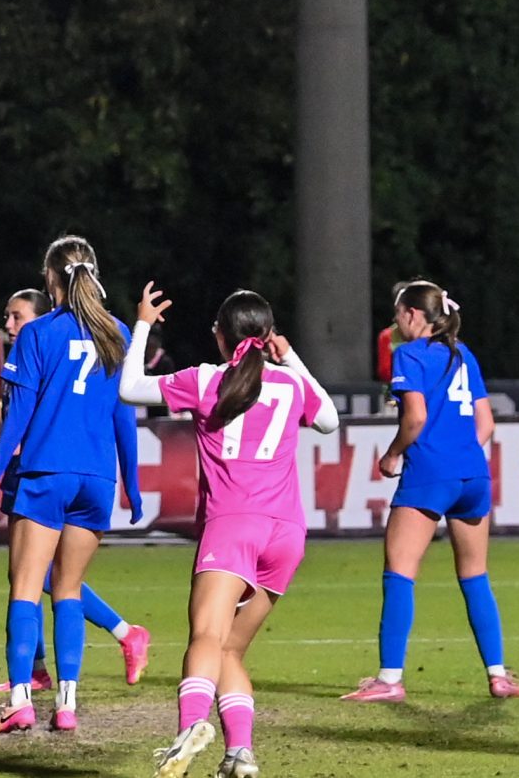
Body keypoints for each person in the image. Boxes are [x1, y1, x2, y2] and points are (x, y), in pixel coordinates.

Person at [120, 285, 338, 778]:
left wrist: (142, 325)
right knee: (230, 648)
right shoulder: (290, 384)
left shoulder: (204, 380)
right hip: (286, 535)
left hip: (233, 527)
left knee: (205, 635)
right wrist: (293, 358)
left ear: (220, 336)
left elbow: (130, 388)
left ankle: (191, 726)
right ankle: (241, 753)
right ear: (269, 336)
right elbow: (328, 420)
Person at [0, 235, 144, 733]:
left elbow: (15, 424)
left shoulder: (38, 334)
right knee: (68, 592)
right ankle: (66, 707)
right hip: (97, 481)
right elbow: (124, 417)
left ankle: (20, 701)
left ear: (50, 278)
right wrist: (134, 484)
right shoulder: (118, 334)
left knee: (24, 589)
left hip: (46, 474)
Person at [341, 280, 519, 703]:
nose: (396, 322)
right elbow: (487, 424)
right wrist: (459, 455)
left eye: (399, 313)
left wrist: (391, 456)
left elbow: (416, 418)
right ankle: (498, 675)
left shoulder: (407, 354)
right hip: (472, 475)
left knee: (400, 573)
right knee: (475, 576)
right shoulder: (464, 355)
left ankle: (389, 679)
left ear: (412, 315)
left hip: (429, 474)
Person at [0, 288, 150, 694]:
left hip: (45, 469)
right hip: (45, 468)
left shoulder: (47, 340)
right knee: (31, 574)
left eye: (17, 316)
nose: (10, 325)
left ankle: (123, 631)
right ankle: (44, 674)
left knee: (46, 577)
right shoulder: (36, 348)